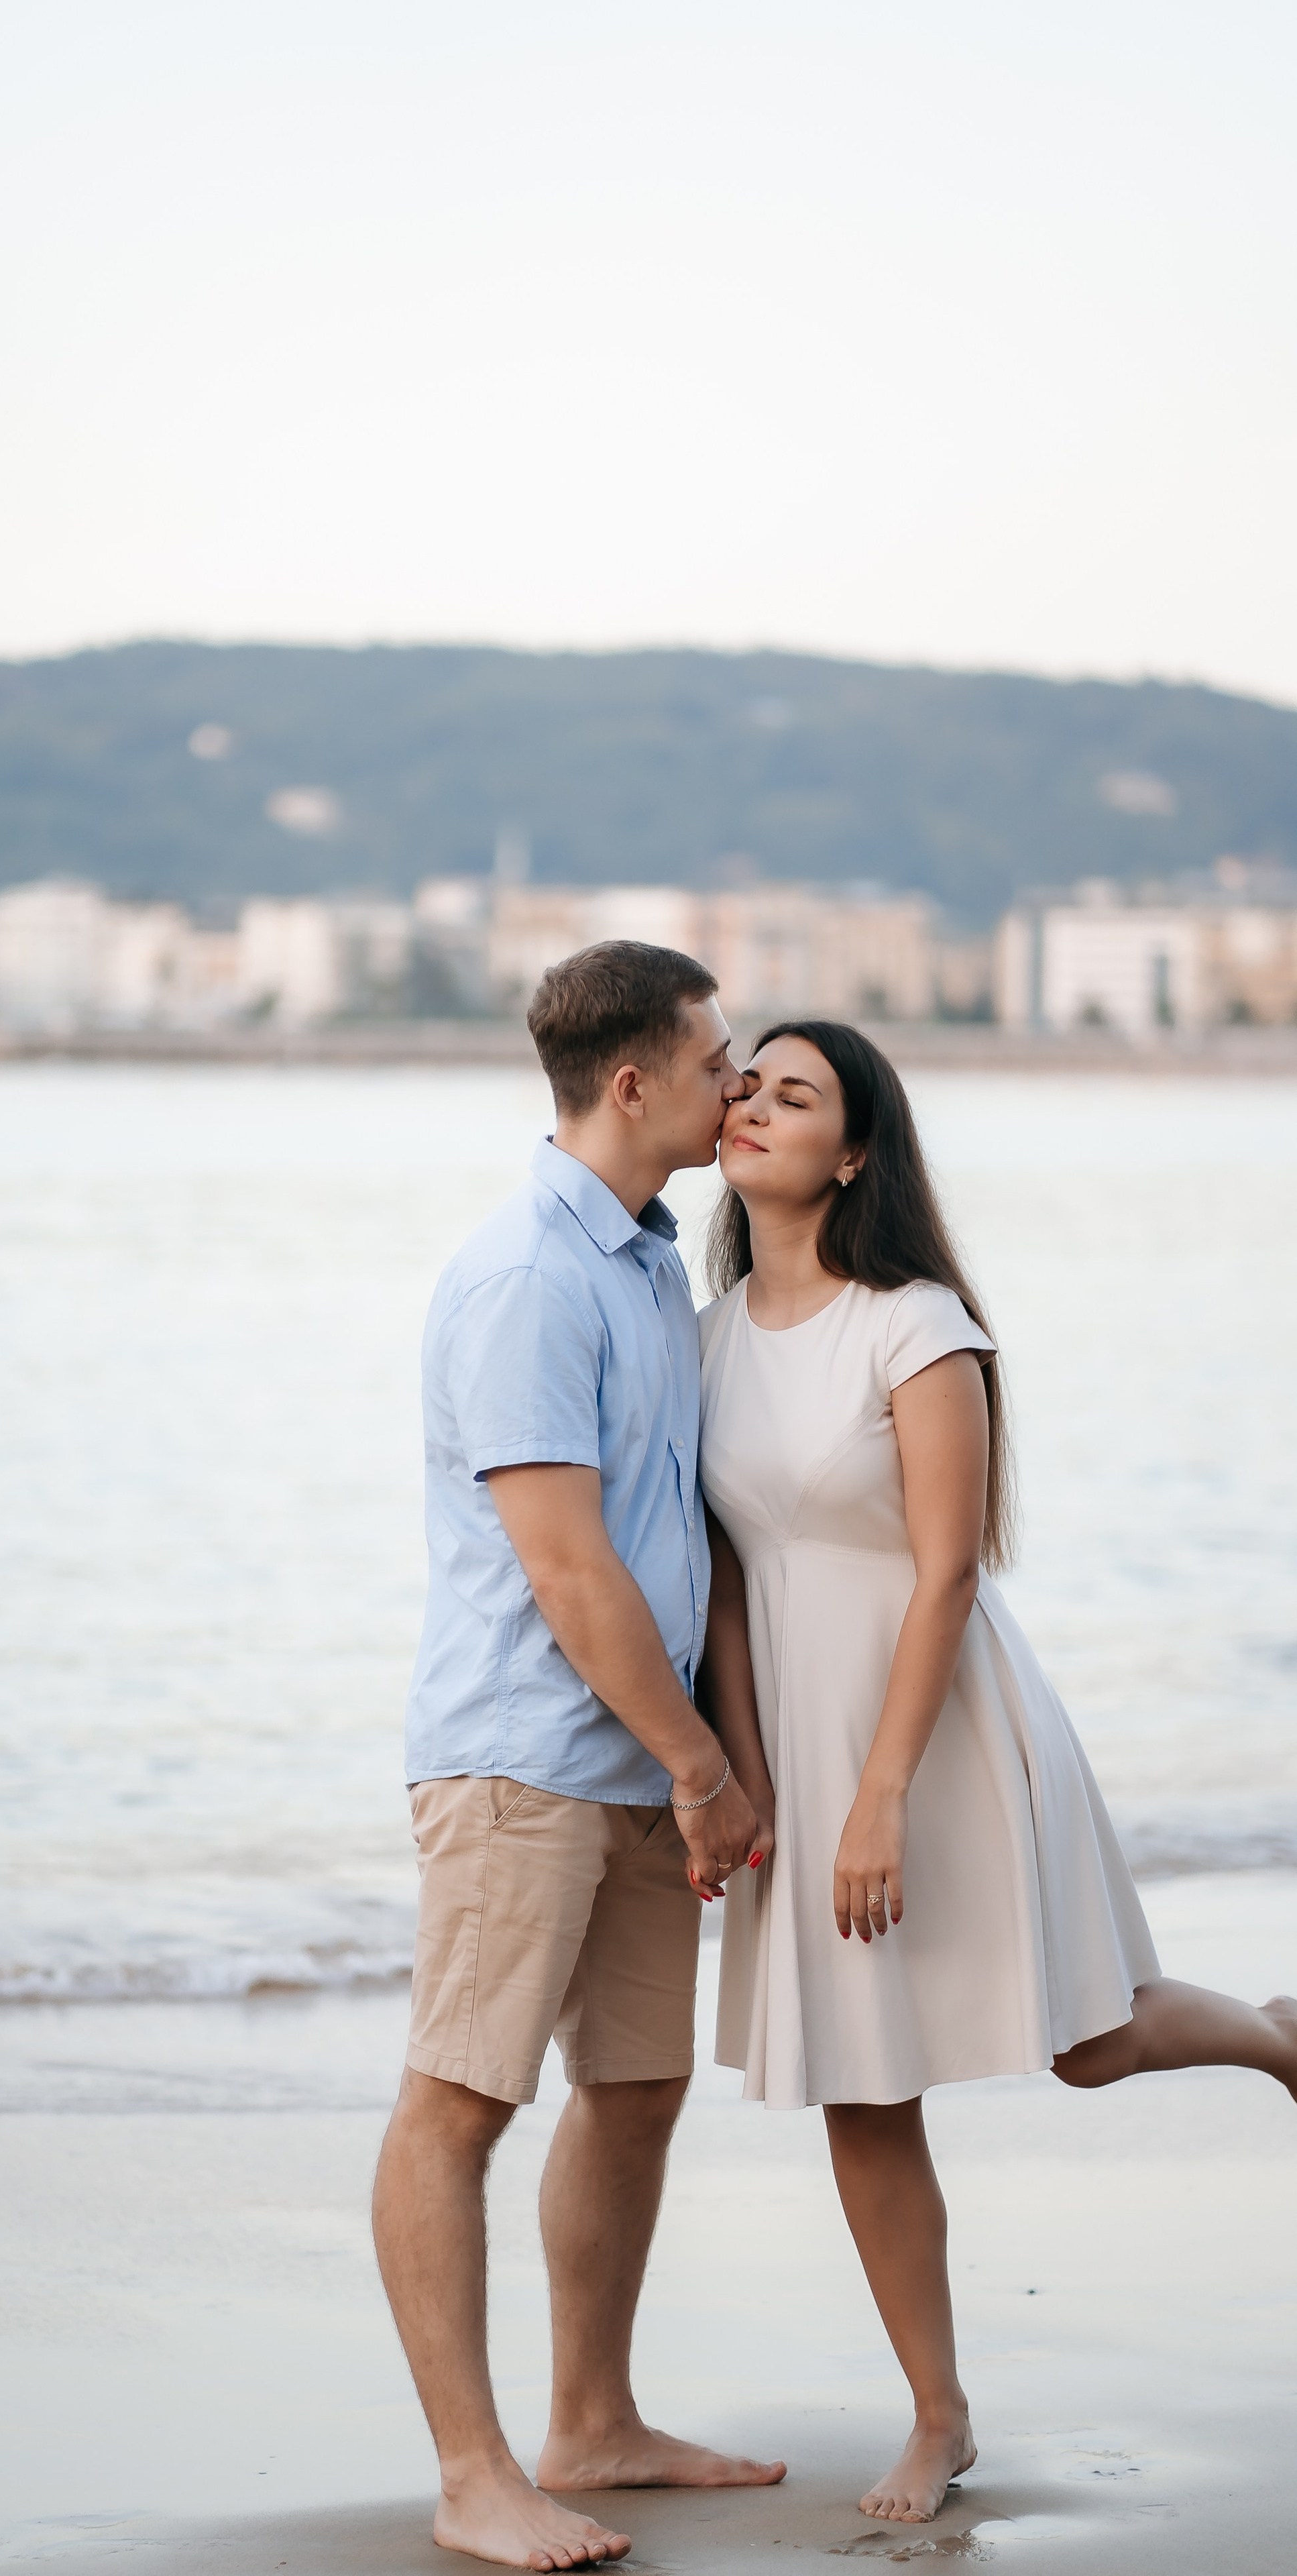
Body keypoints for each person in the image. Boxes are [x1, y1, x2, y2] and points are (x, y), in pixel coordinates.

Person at [695, 1018, 1297, 2528]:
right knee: (859, 2080)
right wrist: (752, 1778)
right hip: (800, 1739)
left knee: (1084, 2043)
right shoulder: (693, 1336)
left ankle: (1279, 2043)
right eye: (744, 1083)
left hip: (942, 1728)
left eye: (794, 1093)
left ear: (851, 1154)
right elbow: (714, 1587)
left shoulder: (915, 1324)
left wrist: (881, 1794)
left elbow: (949, 1571)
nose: (752, 1106)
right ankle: (937, 2411)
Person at [373, 941, 788, 2573]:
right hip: (524, 1761)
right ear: (631, 1084)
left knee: (634, 2087)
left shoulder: (638, 1261)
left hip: (632, 1758)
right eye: (710, 1062)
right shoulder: (527, 1279)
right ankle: (475, 2475)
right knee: (458, 2101)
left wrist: (696, 1749)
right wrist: (702, 1766)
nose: (730, 1085)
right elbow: (566, 1569)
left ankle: (592, 2421)